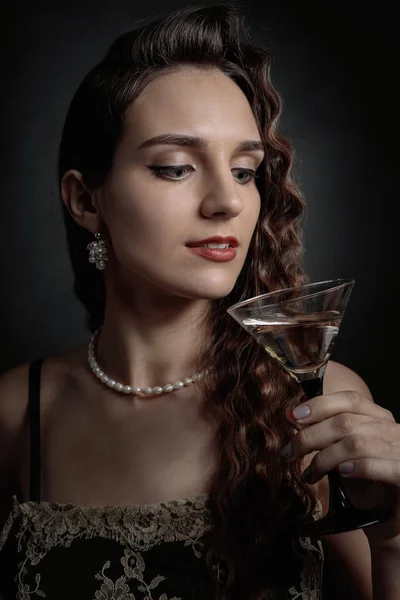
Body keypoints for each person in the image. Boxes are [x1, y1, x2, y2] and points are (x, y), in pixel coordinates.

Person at [0, 4, 399, 599]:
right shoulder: (16, 412)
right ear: (86, 201)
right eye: (175, 168)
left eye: (244, 171)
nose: (228, 202)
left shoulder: (312, 402)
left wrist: (394, 536)